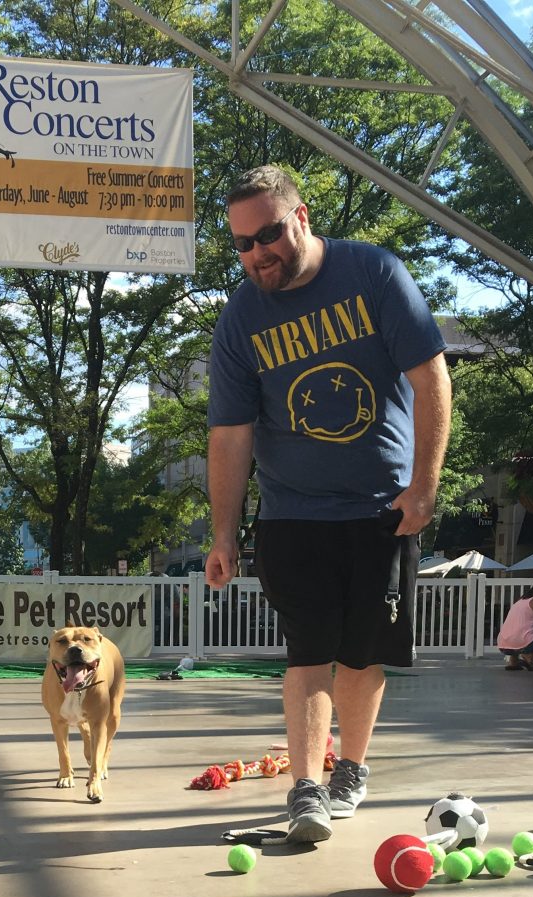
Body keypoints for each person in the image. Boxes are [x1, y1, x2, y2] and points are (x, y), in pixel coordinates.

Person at [205, 165, 451, 844]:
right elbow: (230, 435)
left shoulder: (373, 274)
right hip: (292, 513)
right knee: (308, 650)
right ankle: (306, 788)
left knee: (363, 656)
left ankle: (352, 769)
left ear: (301, 218)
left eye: (268, 235)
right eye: (242, 244)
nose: (257, 253)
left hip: (381, 509)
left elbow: (431, 377)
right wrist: (223, 533)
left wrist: (424, 485)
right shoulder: (242, 317)